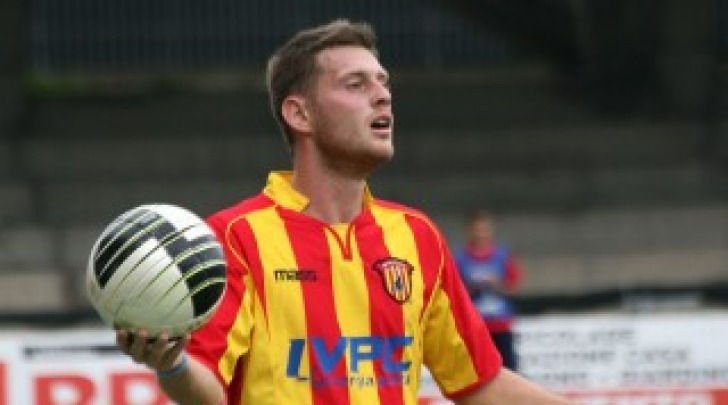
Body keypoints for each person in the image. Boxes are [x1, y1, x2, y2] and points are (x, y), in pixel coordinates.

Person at [115, 19, 572, 405]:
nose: (383, 96)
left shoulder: (416, 237)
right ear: (300, 115)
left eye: (383, 82)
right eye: (356, 85)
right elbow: (209, 386)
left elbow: (481, 382)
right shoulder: (237, 237)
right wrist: (172, 365)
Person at [455, 210, 523, 371]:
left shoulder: (502, 256)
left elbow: (513, 288)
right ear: (469, 231)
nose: (480, 234)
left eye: (484, 229)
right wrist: (473, 288)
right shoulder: (460, 259)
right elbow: (455, 294)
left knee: (509, 371)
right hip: (476, 327)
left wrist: (497, 284)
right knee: (478, 372)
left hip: (501, 325)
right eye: (477, 230)